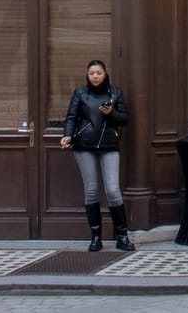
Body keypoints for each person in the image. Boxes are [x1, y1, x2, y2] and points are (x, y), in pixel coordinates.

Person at [60, 60, 132, 251]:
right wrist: (67, 135)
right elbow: (71, 117)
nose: (95, 76)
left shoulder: (115, 93)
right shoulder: (80, 93)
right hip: (84, 145)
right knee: (91, 190)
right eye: (92, 73)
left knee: (112, 190)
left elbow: (124, 119)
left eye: (98, 72)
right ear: (87, 74)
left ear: (105, 74)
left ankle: (122, 236)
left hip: (109, 145)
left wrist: (111, 113)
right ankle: (95, 236)